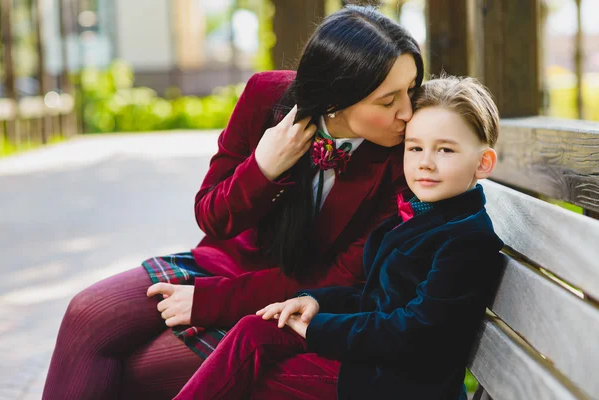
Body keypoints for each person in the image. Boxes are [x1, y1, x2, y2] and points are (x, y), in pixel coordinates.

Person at [42, 5, 424, 400]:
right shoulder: (267, 96)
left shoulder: (405, 159)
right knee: (86, 314)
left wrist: (209, 303)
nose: (408, 112)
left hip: (291, 303)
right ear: (336, 99)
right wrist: (263, 168)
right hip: (222, 262)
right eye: (388, 100)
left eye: (411, 90)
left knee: (138, 371)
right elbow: (211, 216)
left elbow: (337, 277)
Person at [173, 75, 505, 400]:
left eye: (445, 150)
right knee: (254, 329)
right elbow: (372, 297)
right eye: (415, 148)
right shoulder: (416, 216)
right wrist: (316, 302)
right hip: (371, 360)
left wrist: (319, 329)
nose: (425, 163)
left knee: (254, 380)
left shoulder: (467, 240)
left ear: (483, 163)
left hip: (396, 384)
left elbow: (414, 333)